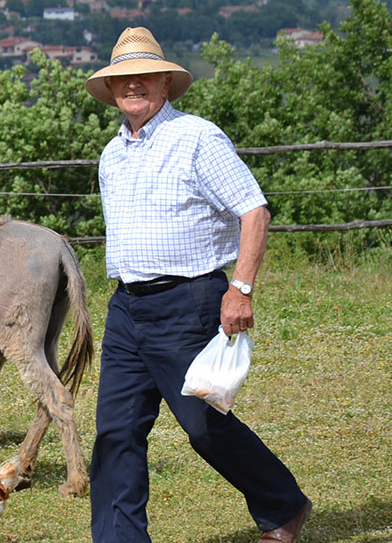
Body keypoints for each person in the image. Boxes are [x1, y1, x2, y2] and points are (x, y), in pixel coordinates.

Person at [86, 27, 312, 543]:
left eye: (144, 76)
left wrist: (242, 289)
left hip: (187, 302)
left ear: (166, 83)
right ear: (112, 91)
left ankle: (284, 505)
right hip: (126, 307)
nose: (134, 86)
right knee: (116, 433)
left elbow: (254, 211)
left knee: (205, 427)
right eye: (124, 79)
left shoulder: (197, 139)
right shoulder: (111, 156)